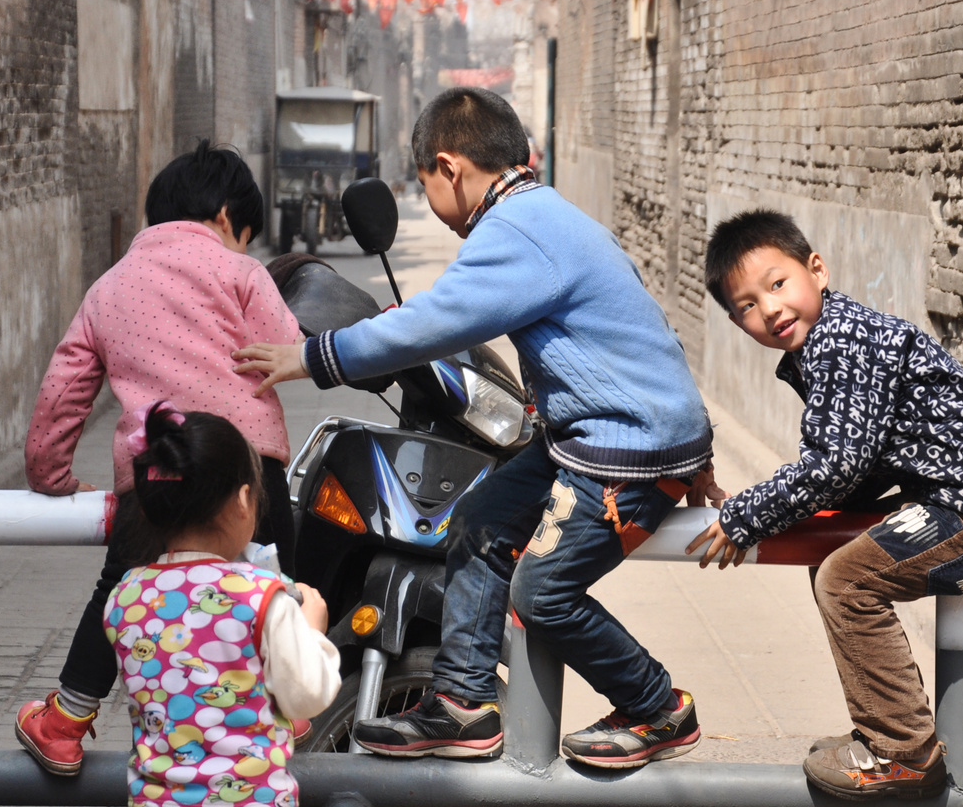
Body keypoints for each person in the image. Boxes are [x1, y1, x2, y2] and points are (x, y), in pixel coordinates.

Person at [234, 87, 720, 769]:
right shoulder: (548, 214)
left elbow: (430, 322)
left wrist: (314, 356)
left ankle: (656, 707)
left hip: (621, 452)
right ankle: (462, 703)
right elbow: (644, 329)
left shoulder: (514, 230)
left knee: (541, 592)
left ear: (448, 167)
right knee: (479, 522)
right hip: (594, 436)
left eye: (426, 183)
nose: (432, 196)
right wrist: (691, 437)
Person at [689, 209, 963, 799]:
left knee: (846, 579)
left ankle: (901, 750)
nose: (770, 309)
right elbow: (862, 464)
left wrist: (747, 514)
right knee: (835, 554)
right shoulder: (829, 339)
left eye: (778, 284)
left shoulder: (843, 338)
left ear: (817, 269)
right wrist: (793, 512)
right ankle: (881, 724)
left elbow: (837, 465)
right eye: (748, 307)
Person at [15, 141, 305, 777]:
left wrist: (50, 475)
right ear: (229, 216)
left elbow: (64, 389)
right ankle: (289, 706)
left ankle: (64, 724)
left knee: (116, 590)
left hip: (158, 478)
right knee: (271, 581)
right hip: (250, 471)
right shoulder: (241, 272)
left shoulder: (110, 285)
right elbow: (290, 350)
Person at [109, 403, 343, 807]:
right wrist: (311, 626)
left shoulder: (127, 596)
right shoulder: (261, 596)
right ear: (244, 500)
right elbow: (308, 695)